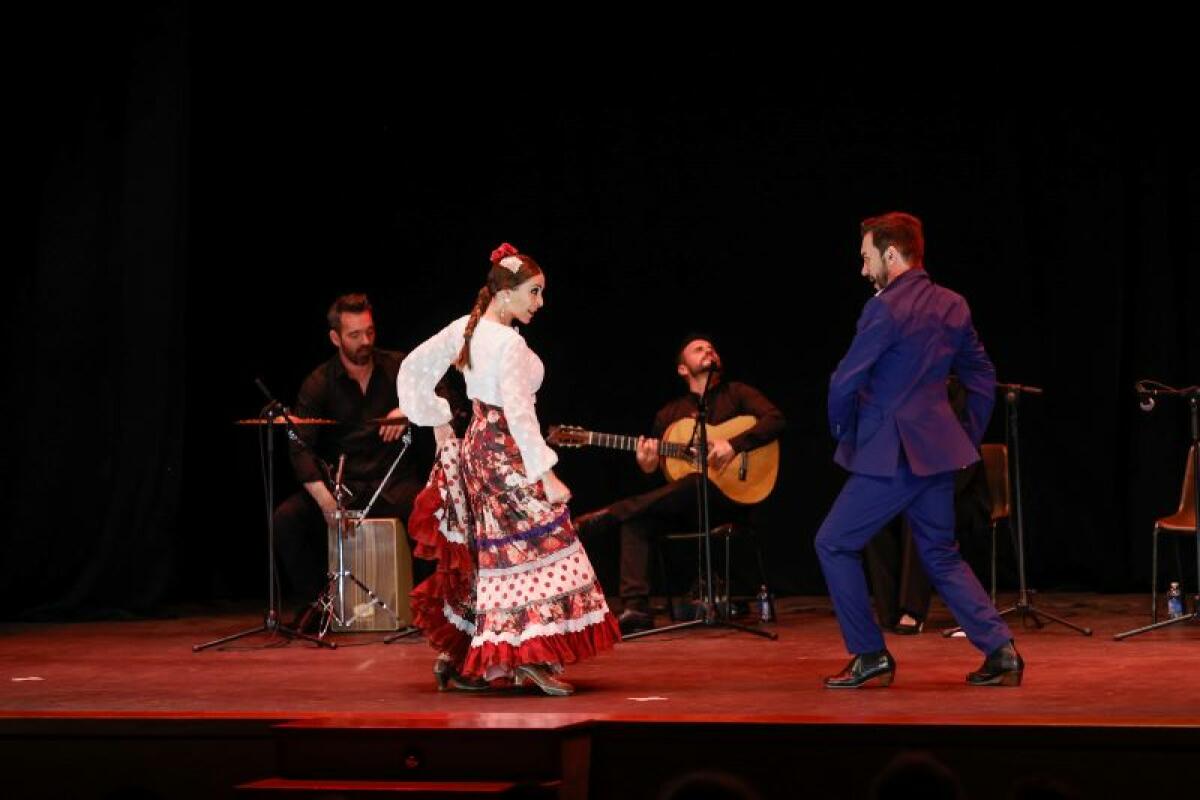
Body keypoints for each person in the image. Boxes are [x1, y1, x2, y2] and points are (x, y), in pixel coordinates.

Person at [397, 242, 619, 695]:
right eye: (533, 292)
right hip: (505, 447)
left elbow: (414, 368)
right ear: (506, 293)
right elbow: (520, 416)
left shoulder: (468, 327)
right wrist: (546, 474)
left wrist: (440, 422)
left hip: (477, 447)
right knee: (538, 544)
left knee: (496, 552)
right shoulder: (510, 344)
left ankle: (467, 659)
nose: (540, 303)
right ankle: (527, 656)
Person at [815, 211, 1023, 688]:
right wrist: (961, 435)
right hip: (935, 453)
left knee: (832, 542)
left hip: (892, 452)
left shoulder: (884, 308)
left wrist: (845, 431)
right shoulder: (953, 304)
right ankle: (1000, 650)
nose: (864, 270)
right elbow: (981, 377)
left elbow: (844, 381)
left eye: (867, 258)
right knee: (940, 552)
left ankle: (870, 655)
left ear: (891, 254)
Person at [273, 293, 465, 625]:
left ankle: (430, 610)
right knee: (286, 519)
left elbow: (447, 397)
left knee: (431, 513)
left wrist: (409, 409)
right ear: (335, 338)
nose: (365, 341)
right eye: (354, 335)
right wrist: (325, 501)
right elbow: (300, 447)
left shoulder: (397, 368)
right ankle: (315, 607)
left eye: (369, 332)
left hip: (392, 483)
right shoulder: (318, 383)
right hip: (342, 486)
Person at [574, 335, 785, 634]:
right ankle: (636, 608)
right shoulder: (669, 415)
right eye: (699, 349)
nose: (708, 350)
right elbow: (665, 482)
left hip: (731, 498)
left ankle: (611, 513)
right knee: (639, 518)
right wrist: (648, 466)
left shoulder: (737, 394)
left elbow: (775, 420)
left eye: (711, 347)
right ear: (683, 369)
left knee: (694, 482)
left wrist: (734, 445)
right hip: (685, 504)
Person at [863, 376, 993, 634]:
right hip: (912, 487)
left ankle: (912, 610)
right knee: (873, 523)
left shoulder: (955, 394)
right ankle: (889, 610)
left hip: (959, 493)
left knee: (920, 518)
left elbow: (961, 464)